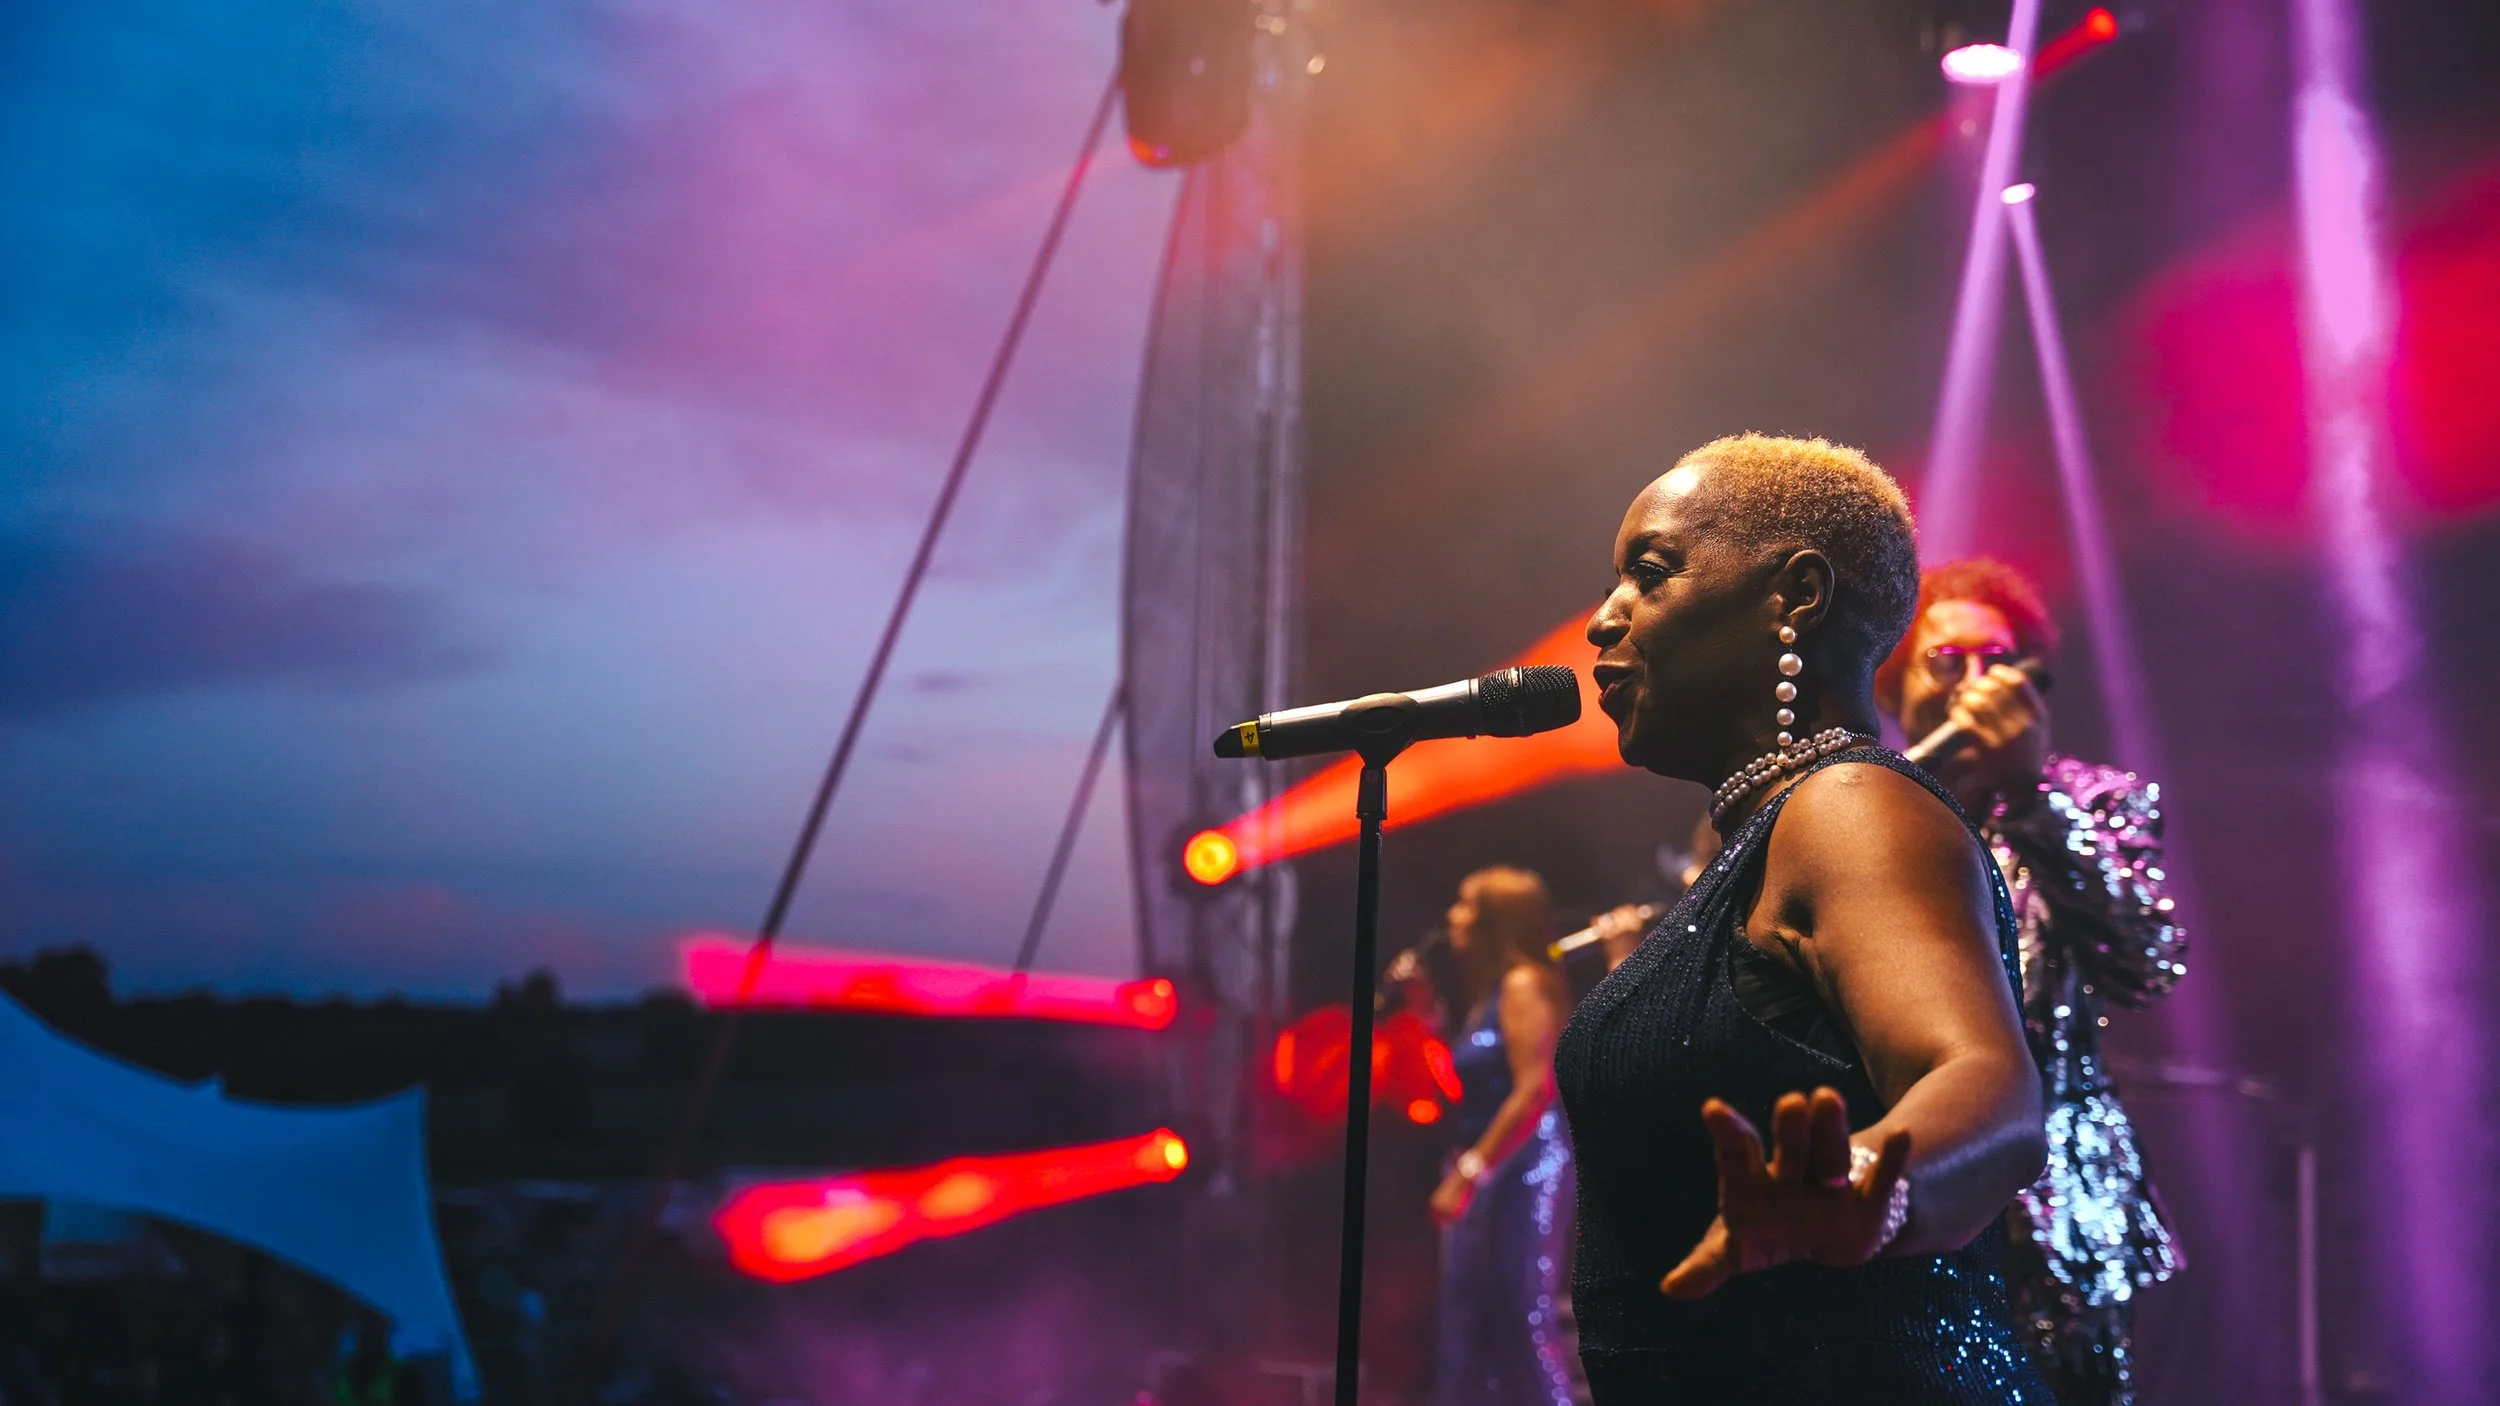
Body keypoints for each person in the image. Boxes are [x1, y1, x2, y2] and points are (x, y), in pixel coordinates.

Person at [1555, 433, 2053, 1402]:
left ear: (1797, 594)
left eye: (1649, 574)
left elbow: (1990, 1086)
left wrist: (1865, 1184)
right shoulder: (1764, 837)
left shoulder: (1847, 809)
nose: (1604, 619)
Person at [1876, 558, 2185, 1406]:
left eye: (2001, 661)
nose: (1978, 683)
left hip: (2059, 1212)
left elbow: (2146, 962)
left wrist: (2032, 796)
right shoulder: (1864, 814)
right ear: (1894, 684)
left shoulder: (2097, 801)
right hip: (1906, 1192)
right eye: (1947, 661)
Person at [1389, 866, 1579, 1406]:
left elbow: (1535, 1090)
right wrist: (1426, 1014)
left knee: (1518, 1316)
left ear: (1496, 921)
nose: (1453, 916)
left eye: (1466, 905)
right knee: (1474, 1319)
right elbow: (1458, 1085)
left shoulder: (1523, 986)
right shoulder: (1489, 994)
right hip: (1490, 1164)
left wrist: (1470, 1173)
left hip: (1523, 1164)